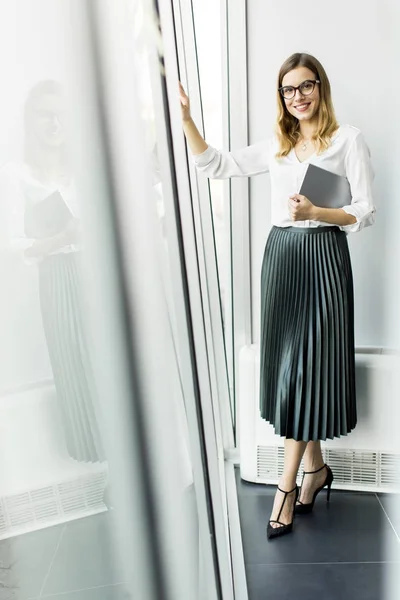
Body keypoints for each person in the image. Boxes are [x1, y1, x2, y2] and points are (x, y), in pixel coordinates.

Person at [179, 52, 376, 540]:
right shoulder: (277, 147)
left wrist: (317, 211)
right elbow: (216, 164)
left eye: (306, 86)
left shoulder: (347, 140)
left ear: (320, 87)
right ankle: (316, 471)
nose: (298, 96)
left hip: (324, 257)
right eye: (289, 90)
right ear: (282, 97)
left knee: (307, 367)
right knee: (290, 365)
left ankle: (285, 487)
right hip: (282, 259)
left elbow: (365, 210)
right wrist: (185, 120)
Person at [0, 80, 105, 463]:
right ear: (31, 121)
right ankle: (103, 466)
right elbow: (13, 245)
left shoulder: (86, 167)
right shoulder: (15, 174)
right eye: (46, 115)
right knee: (78, 364)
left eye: (61, 115)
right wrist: (64, 237)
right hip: (59, 276)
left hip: (100, 271)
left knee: (116, 362)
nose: (55, 123)